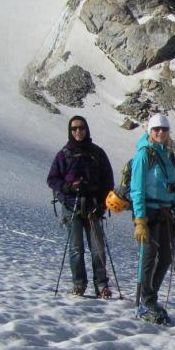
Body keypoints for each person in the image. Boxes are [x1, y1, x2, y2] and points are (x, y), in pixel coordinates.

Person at [47, 115, 115, 298]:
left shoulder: (97, 153)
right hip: (72, 205)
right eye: (74, 128)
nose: (78, 131)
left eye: (81, 128)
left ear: (87, 129)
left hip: (93, 206)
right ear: (70, 131)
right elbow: (52, 179)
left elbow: (108, 181)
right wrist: (67, 187)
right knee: (76, 247)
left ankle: (101, 285)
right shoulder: (64, 154)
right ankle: (80, 284)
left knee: (97, 247)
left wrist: (103, 203)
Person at [130, 114, 175, 325]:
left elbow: (174, 187)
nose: (160, 132)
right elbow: (137, 189)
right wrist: (140, 220)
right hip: (150, 213)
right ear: (150, 132)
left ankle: (150, 298)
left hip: (165, 213)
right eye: (156, 129)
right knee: (150, 256)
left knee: (166, 257)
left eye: (164, 129)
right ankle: (146, 301)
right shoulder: (144, 155)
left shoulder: (168, 155)